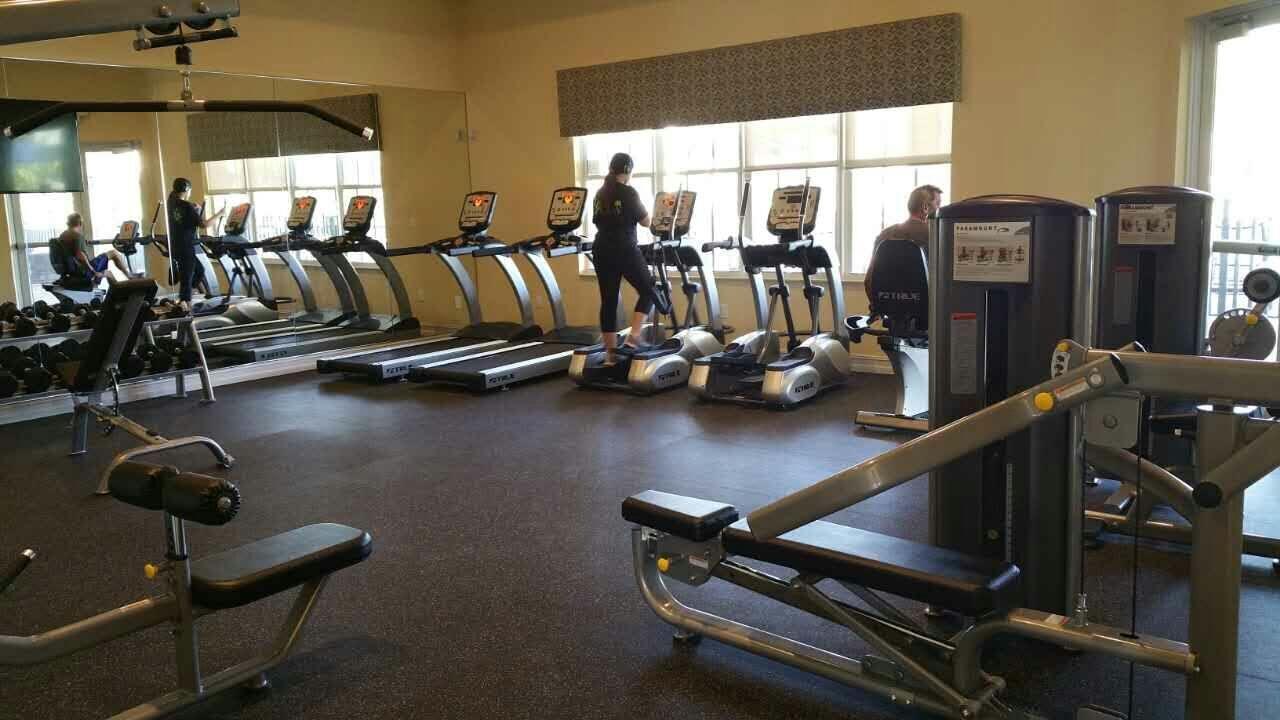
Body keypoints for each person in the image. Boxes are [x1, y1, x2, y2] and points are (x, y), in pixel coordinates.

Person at [591, 152, 664, 366]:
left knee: (609, 300)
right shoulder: (628, 192)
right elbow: (646, 222)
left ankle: (610, 356)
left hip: (601, 249)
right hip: (624, 249)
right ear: (628, 170)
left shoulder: (600, 193)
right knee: (650, 291)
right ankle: (633, 340)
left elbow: (599, 220)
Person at [864, 184, 943, 305]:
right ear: (925, 207)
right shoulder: (938, 236)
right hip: (926, 312)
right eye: (938, 204)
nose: (940, 209)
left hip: (888, 311)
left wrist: (880, 308)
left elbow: (868, 281)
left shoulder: (884, 235)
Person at [166, 177, 225, 311]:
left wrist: (194, 209)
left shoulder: (171, 203)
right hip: (186, 246)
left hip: (176, 245)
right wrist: (219, 214)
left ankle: (196, 296)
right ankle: (185, 305)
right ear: (187, 189)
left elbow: (181, 212)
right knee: (186, 278)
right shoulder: (187, 206)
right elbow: (204, 224)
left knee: (199, 271)